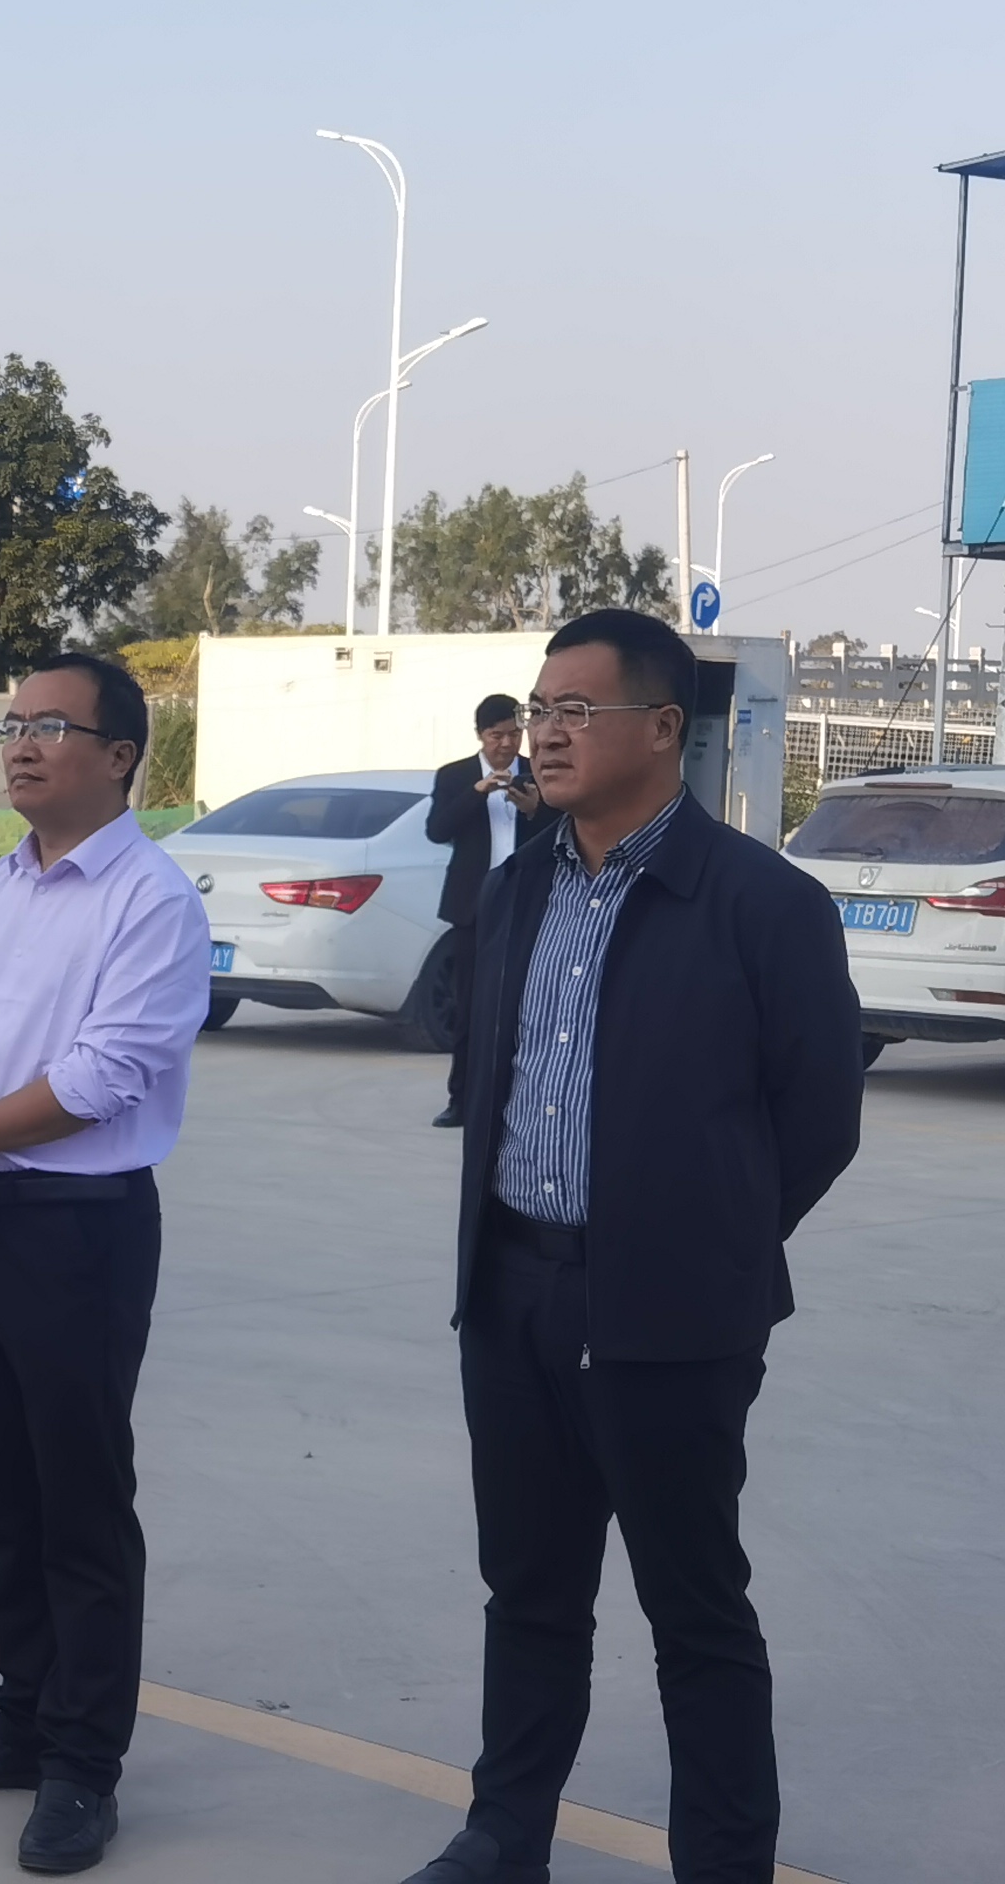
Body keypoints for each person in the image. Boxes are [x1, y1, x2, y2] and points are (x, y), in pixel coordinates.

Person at [403, 609, 861, 1884]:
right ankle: (505, 1834)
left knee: (693, 1609)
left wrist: (702, 1242)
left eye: (575, 711)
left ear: (661, 729)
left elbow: (818, 1122)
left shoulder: (763, 904)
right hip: (512, 1292)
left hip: (670, 1314)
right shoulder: (515, 890)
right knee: (528, 1591)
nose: (544, 734)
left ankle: (722, 1860)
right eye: (538, 709)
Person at [0, 653, 206, 1878]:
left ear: (118, 756)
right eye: (13, 724)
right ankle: (21, 1715)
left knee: (78, 1500)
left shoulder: (151, 901)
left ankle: (81, 1763)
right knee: (1, 1489)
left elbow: (103, 1075)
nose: (19, 744)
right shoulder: (0, 884)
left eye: (50, 727)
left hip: (79, 1226)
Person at [425, 694, 545, 1127]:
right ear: (480, 735)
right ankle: (461, 1100)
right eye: (497, 736)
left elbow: (565, 827)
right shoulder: (455, 775)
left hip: (527, 904)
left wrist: (534, 810)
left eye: (514, 734)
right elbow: (437, 830)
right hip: (473, 907)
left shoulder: (539, 771)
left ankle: (522, 1098)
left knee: (527, 1006)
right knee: (470, 1007)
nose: (507, 744)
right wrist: (477, 794)